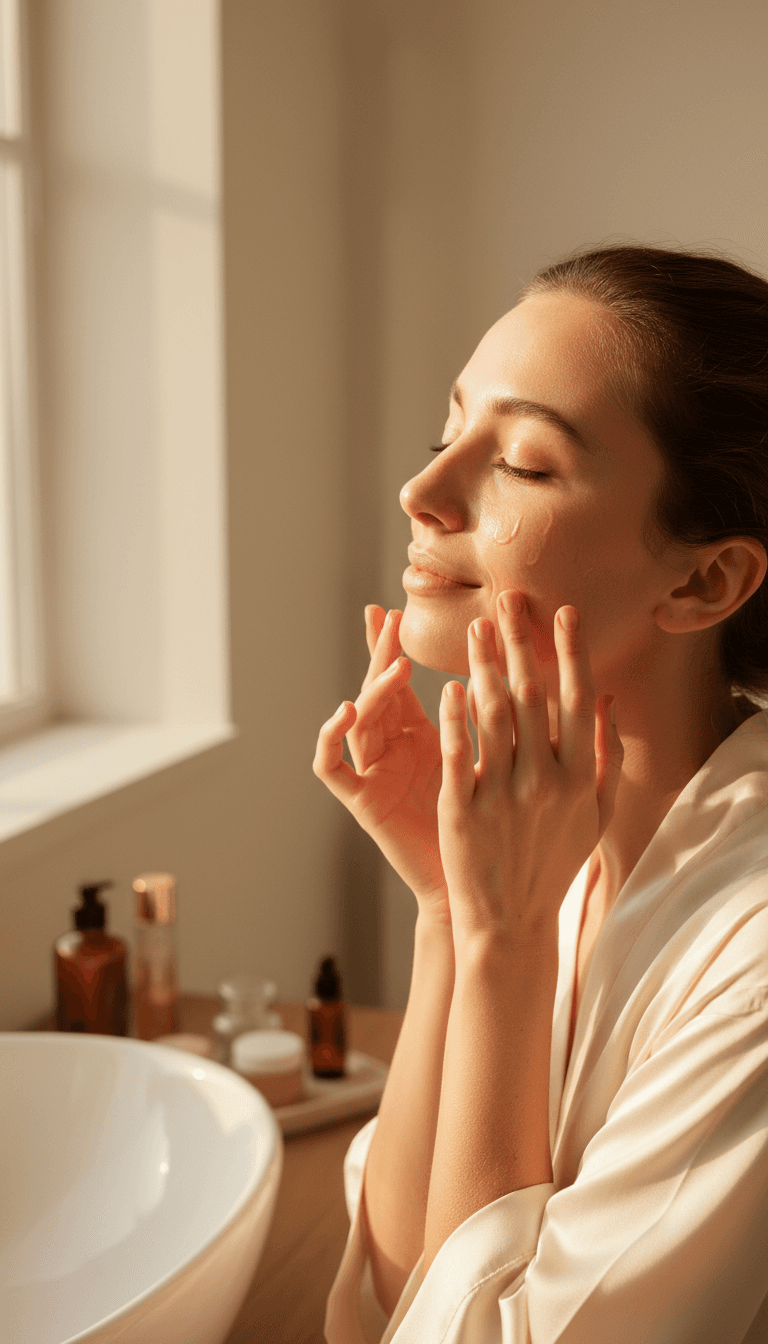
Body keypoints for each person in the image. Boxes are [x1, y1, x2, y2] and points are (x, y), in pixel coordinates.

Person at [313, 243, 768, 1343]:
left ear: (702, 580)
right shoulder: (534, 835)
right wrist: (445, 910)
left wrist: (504, 946)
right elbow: (378, 1308)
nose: (422, 493)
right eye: (447, 431)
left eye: (520, 461)